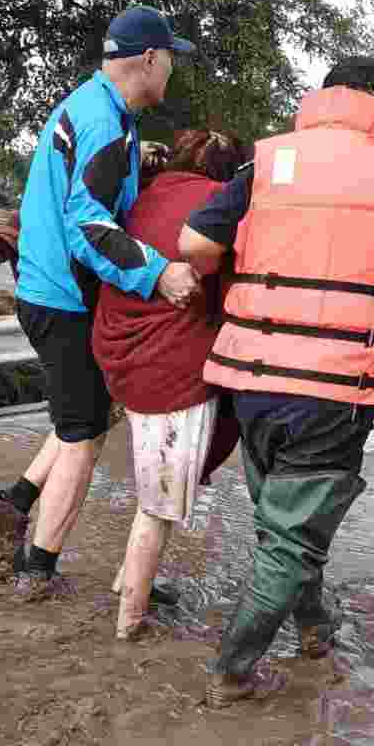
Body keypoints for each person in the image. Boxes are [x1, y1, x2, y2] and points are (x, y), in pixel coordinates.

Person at [178, 57, 374, 708]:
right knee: (292, 535)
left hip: (255, 380)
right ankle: (230, 672)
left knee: (284, 522)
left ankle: (315, 631)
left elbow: (193, 245)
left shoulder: (265, 163)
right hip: (336, 388)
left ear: (324, 96)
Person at [0, 6, 201, 595]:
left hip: (46, 287)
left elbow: (93, 181)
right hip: (62, 298)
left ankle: (19, 498)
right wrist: (157, 274)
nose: (172, 74)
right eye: (171, 62)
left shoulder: (97, 108)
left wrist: (140, 160)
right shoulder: (106, 124)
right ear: (150, 60)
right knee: (83, 434)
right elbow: (89, 225)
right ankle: (37, 569)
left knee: (87, 412)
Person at [92, 130, 247, 639]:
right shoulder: (217, 207)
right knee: (158, 505)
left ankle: (126, 584)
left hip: (118, 356)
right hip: (170, 370)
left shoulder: (144, 193)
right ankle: (129, 621)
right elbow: (232, 295)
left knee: (153, 483)